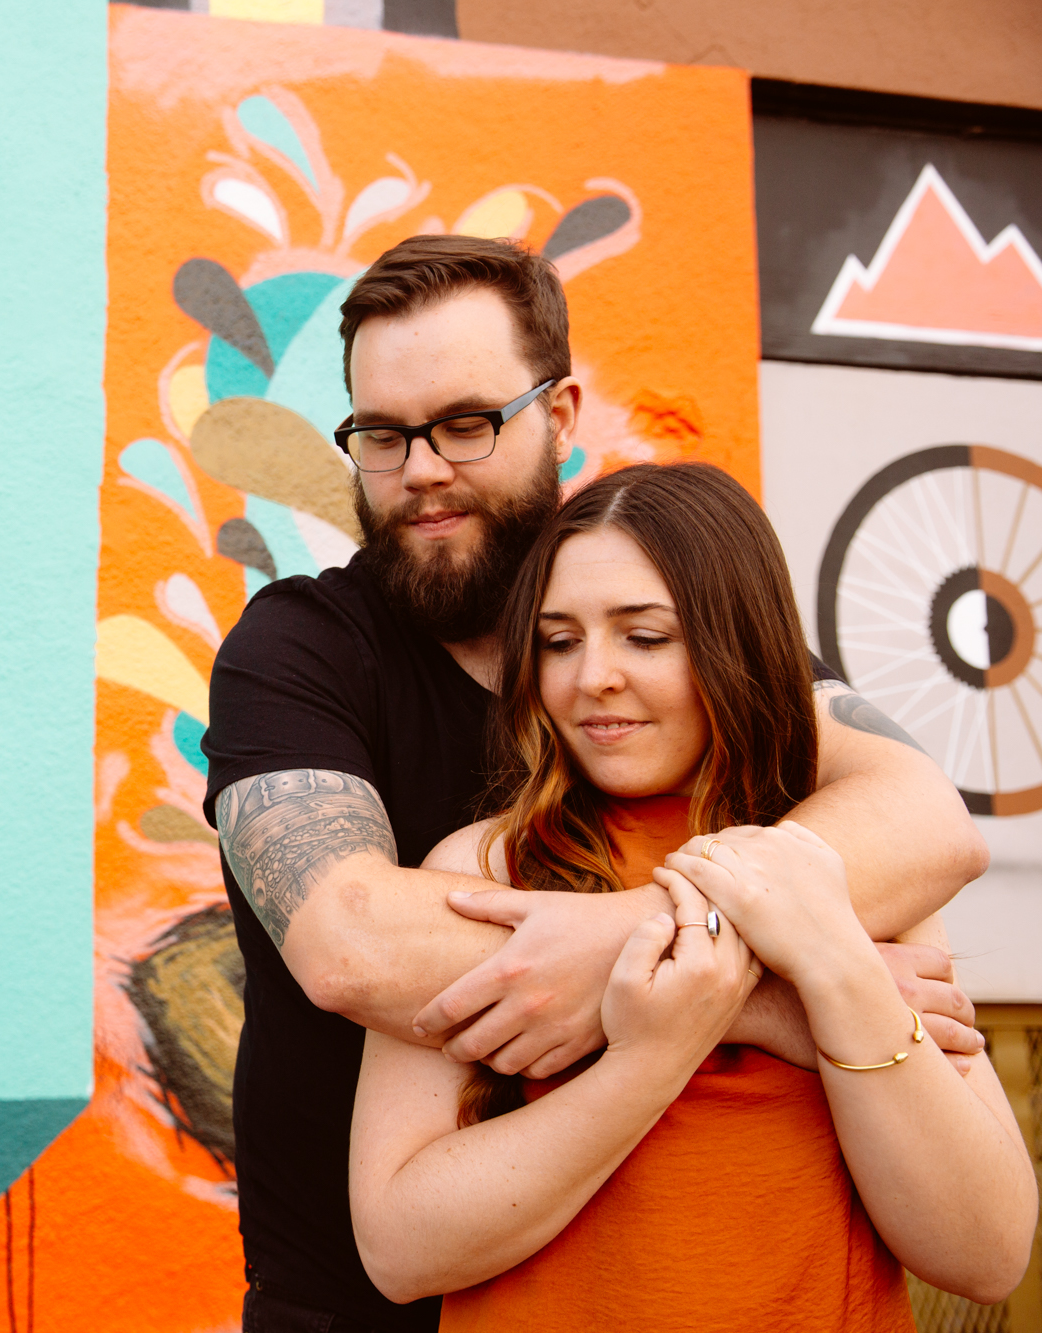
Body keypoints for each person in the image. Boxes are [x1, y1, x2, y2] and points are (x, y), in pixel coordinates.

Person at [201, 235, 991, 1332]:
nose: (421, 466)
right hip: (346, 1308)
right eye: (382, 435)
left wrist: (625, 940)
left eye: (465, 422)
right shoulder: (299, 649)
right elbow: (352, 945)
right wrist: (764, 995)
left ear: (560, 415)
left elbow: (922, 821)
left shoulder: (662, 640)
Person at [347, 462, 1036, 1327]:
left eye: (645, 636)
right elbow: (400, 1249)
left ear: (736, 642)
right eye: (559, 640)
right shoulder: (483, 871)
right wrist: (657, 1050)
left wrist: (831, 972)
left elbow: (987, 1250)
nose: (592, 675)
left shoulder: (849, 868)